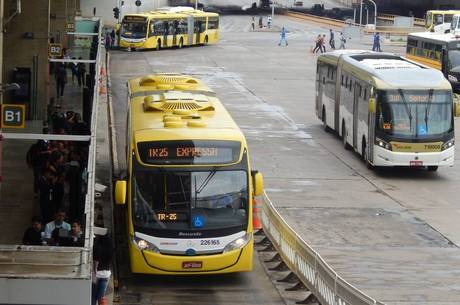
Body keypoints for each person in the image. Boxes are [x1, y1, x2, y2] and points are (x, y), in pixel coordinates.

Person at [92, 235, 113, 305]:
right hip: (106, 274)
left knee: (93, 297)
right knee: (101, 297)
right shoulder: (110, 249)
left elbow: (95, 261)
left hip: (96, 275)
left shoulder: (96, 248)